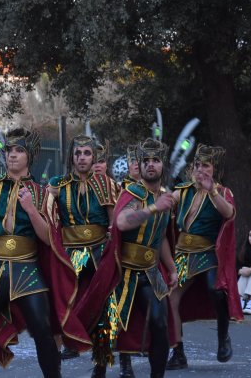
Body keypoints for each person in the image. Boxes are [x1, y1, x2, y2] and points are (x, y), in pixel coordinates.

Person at [0, 127, 90, 378]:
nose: (12, 155)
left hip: (26, 268)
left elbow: (49, 238)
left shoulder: (41, 192)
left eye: (19, 151)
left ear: (29, 156)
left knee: (44, 332)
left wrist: (31, 209)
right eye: (9, 150)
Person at [76, 138, 177, 378]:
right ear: (139, 166)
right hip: (122, 272)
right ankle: (99, 372)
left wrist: (172, 268)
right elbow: (121, 222)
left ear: (163, 165)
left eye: (156, 160)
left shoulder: (165, 196)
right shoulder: (132, 191)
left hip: (152, 272)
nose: (151, 165)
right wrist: (153, 208)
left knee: (160, 324)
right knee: (107, 328)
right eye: (146, 161)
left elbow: (161, 236)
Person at [46, 135, 118, 376]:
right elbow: (46, 212)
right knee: (59, 303)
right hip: (70, 253)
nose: (82, 157)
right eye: (78, 153)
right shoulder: (59, 183)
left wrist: (111, 247)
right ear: (72, 157)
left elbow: (113, 222)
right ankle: (55, 361)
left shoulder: (105, 183)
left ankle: (100, 365)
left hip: (99, 251)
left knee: (104, 306)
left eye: (87, 153)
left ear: (94, 157)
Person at [166, 144, 242, 371]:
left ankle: (223, 336)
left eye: (205, 165)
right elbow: (164, 207)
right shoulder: (183, 190)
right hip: (182, 253)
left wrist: (212, 191)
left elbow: (228, 214)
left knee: (215, 290)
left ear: (214, 169)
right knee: (169, 298)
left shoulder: (223, 192)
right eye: (197, 165)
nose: (200, 169)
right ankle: (178, 353)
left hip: (208, 253)